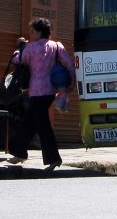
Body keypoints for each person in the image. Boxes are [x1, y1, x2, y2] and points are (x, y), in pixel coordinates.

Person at [7, 18, 76, 171]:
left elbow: (16, 59)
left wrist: (19, 47)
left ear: (39, 32)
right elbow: (70, 65)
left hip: (37, 92)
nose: (30, 34)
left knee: (43, 125)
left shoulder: (30, 48)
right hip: (51, 91)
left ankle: (54, 159)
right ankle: (19, 152)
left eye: (32, 31)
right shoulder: (57, 47)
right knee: (29, 122)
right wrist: (68, 87)